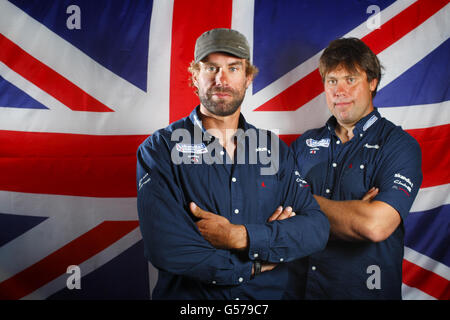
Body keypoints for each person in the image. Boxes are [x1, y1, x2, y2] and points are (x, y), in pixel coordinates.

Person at [136, 28, 329, 300]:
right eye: (211, 68)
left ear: (248, 77)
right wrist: (254, 265)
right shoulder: (159, 150)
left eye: (233, 68)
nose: (221, 79)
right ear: (195, 76)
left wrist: (241, 237)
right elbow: (167, 247)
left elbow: (315, 229)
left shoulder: (274, 150)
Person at [290, 37, 423, 299]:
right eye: (332, 81)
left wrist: (298, 203)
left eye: (350, 79)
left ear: (372, 82)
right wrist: (354, 213)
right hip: (299, 292)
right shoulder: (303, 144)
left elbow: (374, 225)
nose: (339, 90)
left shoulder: (399, 146)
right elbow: (273, 212)